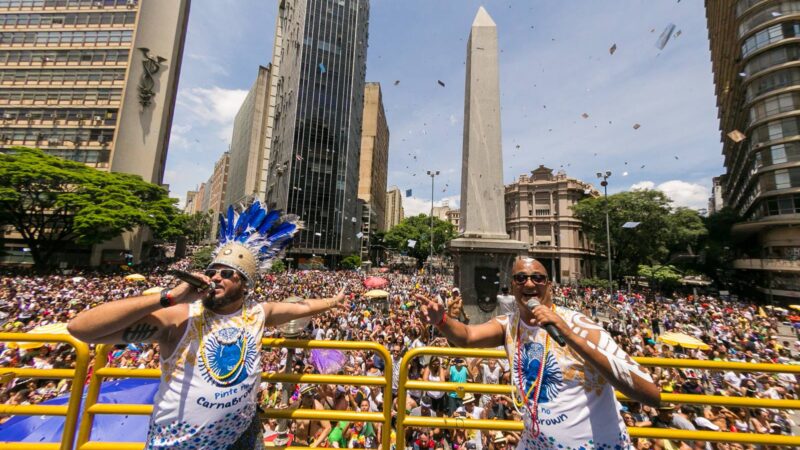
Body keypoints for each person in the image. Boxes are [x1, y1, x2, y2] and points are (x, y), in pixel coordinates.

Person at [67, 201, 347, 450]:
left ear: (246, 285)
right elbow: (81, 329)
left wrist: (334, 301)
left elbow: (304, 307)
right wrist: (167, 298)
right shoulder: (180, 317)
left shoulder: (258, 313)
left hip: (243, 436)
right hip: (180, 442)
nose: (215, 278)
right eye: (211, 272)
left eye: (227, 274)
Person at [415, 257, 661, 449]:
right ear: (512, 286)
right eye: (521, 278)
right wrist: (442, 320)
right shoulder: (508, 325)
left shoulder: (580, 325)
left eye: (537, 278)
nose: (529, 283)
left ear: (548, 284)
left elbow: (649, 393)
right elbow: (467, 337)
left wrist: (568, 334)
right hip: (534, 443)